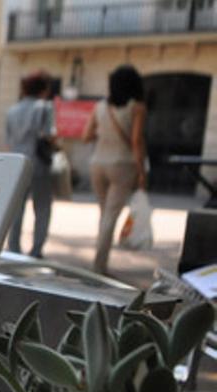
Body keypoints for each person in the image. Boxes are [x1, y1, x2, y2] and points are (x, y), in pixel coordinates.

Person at [83, 64, 148, 275]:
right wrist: (142, 172)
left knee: (104, 214)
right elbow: (137, 141)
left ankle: (99, 263)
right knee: (110, 215)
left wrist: (104, 132)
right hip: (123, 165)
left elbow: (86, 136)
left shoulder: (99, 107)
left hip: (97, 164)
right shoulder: (137, 107)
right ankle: (98, 267)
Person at [4, 69, 56, 259]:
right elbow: (49, 135)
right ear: (43, 88)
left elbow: (8, 141)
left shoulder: (12, 110)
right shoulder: (45, 107)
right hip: (39, 164)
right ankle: (36, 251)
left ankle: (14, 248)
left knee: (17, 208)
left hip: (17, 166)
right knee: (42, 208)